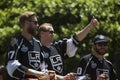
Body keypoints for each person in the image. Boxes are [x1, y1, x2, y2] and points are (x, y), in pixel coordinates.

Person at [5, 11, 50, 80]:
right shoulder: (15, 42)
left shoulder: (38, 43)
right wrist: (36, 73)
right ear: (27, 23)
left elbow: (42, 67)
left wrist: (46, 74)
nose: (38, 25)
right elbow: (11, 66)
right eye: (35, 22)